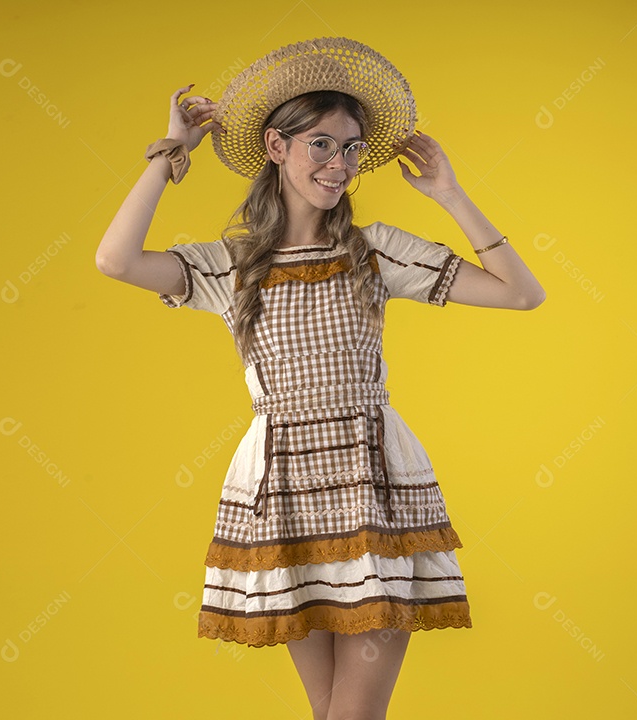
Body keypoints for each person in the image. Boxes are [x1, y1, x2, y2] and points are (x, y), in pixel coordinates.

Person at [96, 36, 545, 720]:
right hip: (284, 490)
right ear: (277, 147)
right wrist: (169, 155)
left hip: (372, 484)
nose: (340, 165)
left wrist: (451, 196)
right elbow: (115, 260)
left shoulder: (375, 251)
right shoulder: (233, 265)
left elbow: (522, 294)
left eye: (352, 149)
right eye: (322, 145)